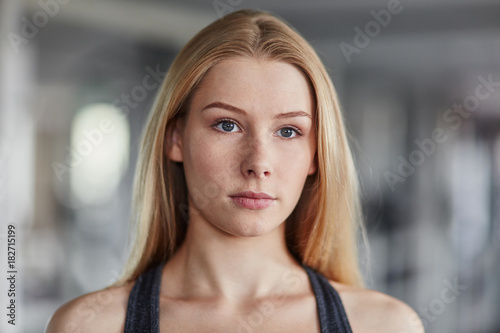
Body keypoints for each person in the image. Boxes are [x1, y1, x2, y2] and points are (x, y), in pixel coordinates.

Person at [46, 9, 424, 333]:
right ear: (175, 138)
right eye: (227, 125)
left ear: (315, 156)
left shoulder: (384, 325)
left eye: (288, 131)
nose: (258, 163)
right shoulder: (90, 325)